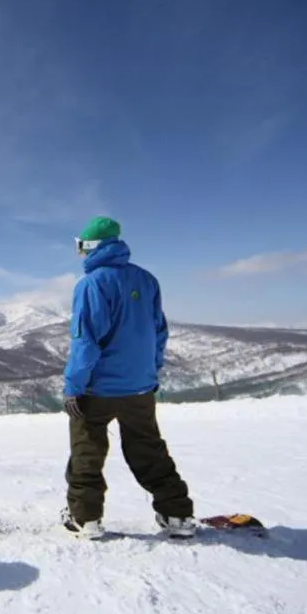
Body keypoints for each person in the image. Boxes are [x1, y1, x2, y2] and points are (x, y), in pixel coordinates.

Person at [60, 216, 195, 539]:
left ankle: (85, 517)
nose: (79, 253)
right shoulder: (147, 280)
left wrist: (73, 388)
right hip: (140, 388)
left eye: (80, 246)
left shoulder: (92, 284)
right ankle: (177, 514)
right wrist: (151, 370)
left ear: (92, 246)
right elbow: (159, 332)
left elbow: (86, 341)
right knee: (149, 449)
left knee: (87, 450)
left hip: (98, 389)